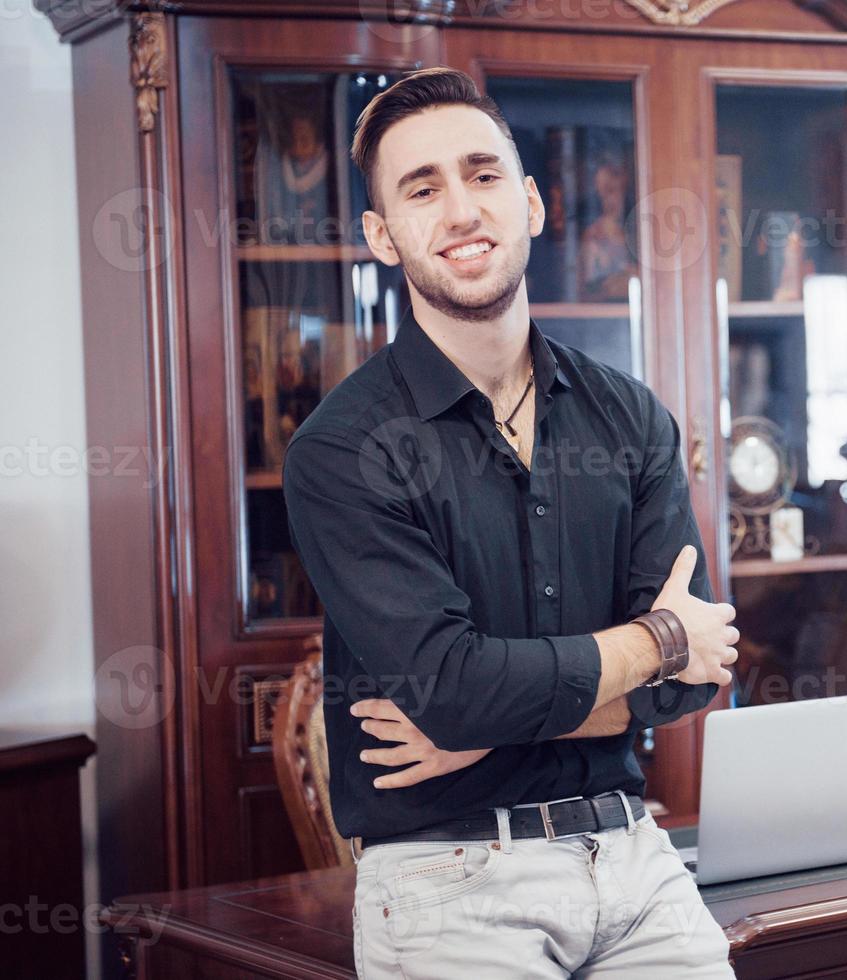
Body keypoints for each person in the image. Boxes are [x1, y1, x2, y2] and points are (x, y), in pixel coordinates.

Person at [281, 67, 739, 978]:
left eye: (483, 174)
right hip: (447, 879)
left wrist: (488, 725)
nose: (461, 210)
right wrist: (654, 640)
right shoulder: (342, 449)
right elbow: (455, 689)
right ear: (382, 235)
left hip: (636, 859)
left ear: (529, 202)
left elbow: (700, 675)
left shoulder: (631, 418)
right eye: (423, 188)